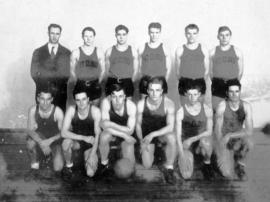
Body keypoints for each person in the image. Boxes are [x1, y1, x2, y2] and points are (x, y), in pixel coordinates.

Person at [136, 76, 176, 184]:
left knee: (172, 137)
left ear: (162, 91)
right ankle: (157, 154)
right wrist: (141, 141)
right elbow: (138, 125)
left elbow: (170, 126)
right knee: (147, 165)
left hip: (160, 135)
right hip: (146, 137)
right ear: (147, 90)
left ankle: (169, 168)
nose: (154, 93)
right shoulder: (141, 104)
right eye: (152, 90)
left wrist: (153, 134)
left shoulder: (168, 104)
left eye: (157, 90)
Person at [61, 82, 101, 180]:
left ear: (88, 99)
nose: (81, 103)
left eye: (83, 99)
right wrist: (84, 138)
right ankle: (69, 167)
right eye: (78, 100)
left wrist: (92, 155)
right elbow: (63, 132)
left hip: (91, 145)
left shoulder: (95, 111)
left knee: (90, 173)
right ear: (75, 101)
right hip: (77, 143)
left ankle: (87, 159)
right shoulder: (71, 110)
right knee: (66, 143)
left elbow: (98, 136)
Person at [215, 79, 253, 180]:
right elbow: (217, 129)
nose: (234, 94)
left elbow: (249, 131)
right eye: (231, 92)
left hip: (235, 137)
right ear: (227, 93)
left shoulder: (246, 106)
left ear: (240, 92)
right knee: (226, 174)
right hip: (222, 139)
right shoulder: (222, 106)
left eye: (236, 91)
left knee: (249, 142)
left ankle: (239, 164)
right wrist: (221, 144)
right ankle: (216, 159)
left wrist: (230, 135)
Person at [175, 82, 213, 180]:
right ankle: (186, 157)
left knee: (207, 142)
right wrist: (181, 154)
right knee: (186, 175)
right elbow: (178, 136)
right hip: (185, 143)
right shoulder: (181, 111)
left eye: (195, 94)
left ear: (199, 95)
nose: (192, 97)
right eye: (190, 95)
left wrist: (192, 139)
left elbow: (209, 131)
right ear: (186, 95)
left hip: (199, 141)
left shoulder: (207, 109)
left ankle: (207, 164)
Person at [25, 86, 64, 180]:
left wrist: (49, 141)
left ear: (52, 99)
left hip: (54, 141)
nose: (45, 103)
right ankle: (34, 167)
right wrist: (42, 143)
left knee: (58, 168)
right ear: (38, 99)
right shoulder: (33, 110)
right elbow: (30, 130)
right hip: (40, 140)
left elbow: (63, 133)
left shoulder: (58, 111)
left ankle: (49, 156)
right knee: (30, 143)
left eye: (48, 99)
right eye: (42, 99)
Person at [31, 23, 71, 112]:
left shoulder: (67, 53)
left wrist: (57, 87)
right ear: (48, 33)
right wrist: (45, 87)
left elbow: (68, 73)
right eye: (52, 33)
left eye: (57, 34)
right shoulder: (38, 52)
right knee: (42, 117)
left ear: (60, 34)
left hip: (60, 92)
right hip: (43, 91)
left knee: (59, 118)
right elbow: (34, 72)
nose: (54, 36)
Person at [99, 83, 137, 176]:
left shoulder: (131, 106)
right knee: (104, 136)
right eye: (114, 96)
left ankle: (122, 155)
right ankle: (104, 164)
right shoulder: (106, 102)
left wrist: (110, 124)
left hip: (127, 136)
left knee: (129, 171)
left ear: (124, 97)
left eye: (120, 96)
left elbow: (130, 131)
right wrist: (123, 133)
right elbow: (104, 126)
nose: (117, 100)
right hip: (114, 134)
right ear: (110, 96)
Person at [210, 26, 244, 111]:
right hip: (218, 84)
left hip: (232, 83)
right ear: (218, 36)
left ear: (230, 36)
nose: (224, 37)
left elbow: (241, 71)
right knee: (217, 110)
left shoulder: (237, 51)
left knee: (233, 109)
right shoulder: (212, 52)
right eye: (221, 35)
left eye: (227, 35)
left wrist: (234, 82)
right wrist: (217, 82)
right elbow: (210, 71)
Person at [175, 24, 210, 106]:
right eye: (189, 33)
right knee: (184, 108)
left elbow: (207, 69)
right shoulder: (180, 50)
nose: (191, 36)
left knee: (199, 108)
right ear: (185, 34)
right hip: (185, 82)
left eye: (194, 33)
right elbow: (177, 71)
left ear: (197, 34)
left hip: (199, 81)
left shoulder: (203, 49)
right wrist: (184, 80)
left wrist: (199, 80)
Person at [69, 27, 105, 106]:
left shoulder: (99, 52)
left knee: (94, 110)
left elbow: (103, 71)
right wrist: (78, 82)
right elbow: (72, 71)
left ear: (94, 37)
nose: (88, 39)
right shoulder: (76, 52)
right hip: (81, 85)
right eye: (86, 36)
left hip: (94, 85)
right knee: (81, 111)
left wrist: (97, 82)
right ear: (82, 37)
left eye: (90, 36)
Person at [105, 25, 138, 98]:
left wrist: (130, 81)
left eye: (124, 34)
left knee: (127, 105)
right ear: (115, 35)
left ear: (127, 35)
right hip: (112, 81)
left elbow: (136, 70)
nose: (121, 37)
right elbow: (106, 70)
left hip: (127, 82)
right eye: (119, 34)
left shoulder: (133, 51)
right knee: (110, 105)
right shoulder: (109, 51)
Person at [138, 22, 171, 96]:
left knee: (160, 104)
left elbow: (168, 69)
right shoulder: (142, 48)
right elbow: (139, 68)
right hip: (146, 81)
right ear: (148, 32)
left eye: (157, 32)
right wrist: (144, 80)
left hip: (160, 80)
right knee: (144, 105)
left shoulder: (165, 49)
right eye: (152, 32)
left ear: (160, 33)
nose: (154, 35)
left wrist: (163, 81)